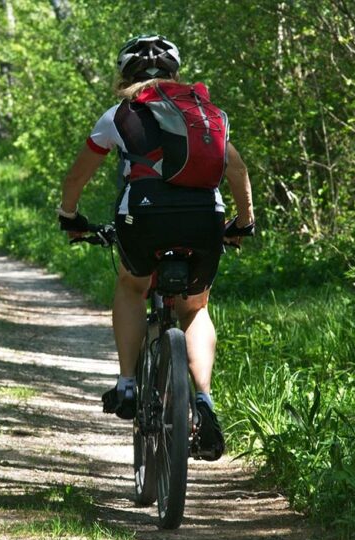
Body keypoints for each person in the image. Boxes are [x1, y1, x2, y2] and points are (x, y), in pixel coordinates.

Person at [58, 34, 254, 461]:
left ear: (124, 76)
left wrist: (69, 218)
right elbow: (236, 168)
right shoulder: (204, 113)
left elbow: (76, 178)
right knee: (195, 308)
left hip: (143, 219)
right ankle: (203, 400)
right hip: (204, 219)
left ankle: (127, 383)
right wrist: (243, 223)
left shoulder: (118, 115)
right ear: (174, 74)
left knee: (131, 285)